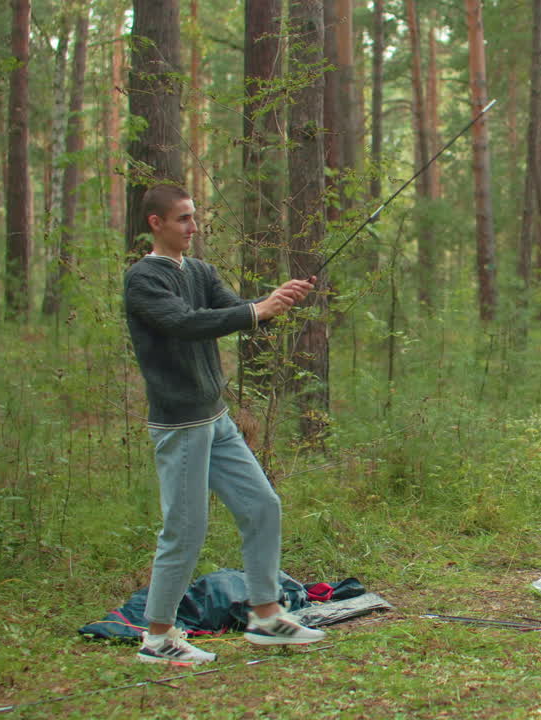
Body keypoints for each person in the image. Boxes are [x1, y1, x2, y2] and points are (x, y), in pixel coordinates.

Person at [124, 183, 325, 665]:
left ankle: (265, 616)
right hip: (181, 425)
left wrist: (277, 302)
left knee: (262, 505)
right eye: (183, 220)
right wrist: (256, 310)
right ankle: (158, 638)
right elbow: (188, 322)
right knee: (185, 529)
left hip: (216, 418)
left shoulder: (199, 270)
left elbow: (231, 312)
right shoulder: (143, 280)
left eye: (194, 218)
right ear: (156, 223)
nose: (193, 228)